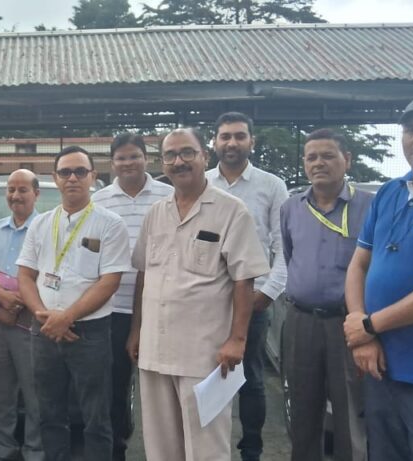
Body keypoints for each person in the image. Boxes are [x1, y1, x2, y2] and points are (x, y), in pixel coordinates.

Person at [130, 128, 269, 460]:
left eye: (187, 153)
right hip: (154, 349)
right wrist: (136, 330)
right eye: (171, 155)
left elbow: (243, 279)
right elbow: (143, 274)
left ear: (204, 156)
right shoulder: (156, 213)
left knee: (206, 448)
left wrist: (238, 339)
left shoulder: (231, 211)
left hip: (205, 355)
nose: (179, 161)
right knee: (162, 447)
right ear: (162, 162)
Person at [344, 92, 413, 460]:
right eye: (410, 130)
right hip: (380, 368)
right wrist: (362, 335)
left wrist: (370, 325)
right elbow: (359, 265)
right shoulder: (390, 192)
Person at [16, 146, 132, 461]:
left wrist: (65, 317)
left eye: (80, 171)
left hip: (90, 333)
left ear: (94, 177)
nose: (72, 178)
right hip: (44, 331)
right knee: (48, 414)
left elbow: (109, 282)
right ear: (54, 178)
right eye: (65, 172)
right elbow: (25, 276)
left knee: (96, 416)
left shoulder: (110, 224)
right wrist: (43, 316)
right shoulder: (41, 224)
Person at [280, 129, 370, 461]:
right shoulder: (291, 208)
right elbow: (291, 258)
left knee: (349, 415)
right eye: (312, 157)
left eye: (328, 156)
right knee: (302, 412)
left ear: (347, 159)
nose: (319, 163)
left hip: (348, 324)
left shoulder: (369, 206)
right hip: (301, 320)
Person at [205, 111, 289, 461]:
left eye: (239, 136)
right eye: (225, 136)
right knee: (208, 376)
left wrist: (268, 292)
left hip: (253, 299)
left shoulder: (272, 185)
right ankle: (211, 447)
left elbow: (284, 246)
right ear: (214, 142)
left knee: (251, 378)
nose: (232, 143)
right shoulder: (202, 182)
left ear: (251, 141)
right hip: (208, 300)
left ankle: (251, 448)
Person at [91, 133, 173, 460]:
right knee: (113, 386)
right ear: (112, 163)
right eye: (122, 158)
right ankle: (117, 450)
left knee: (161, 387)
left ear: (146, 159)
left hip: (160, 307)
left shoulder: (168, 195)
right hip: (111, 309)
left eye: (134, 156)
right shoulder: (99, 202)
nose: (128, 163)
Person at [0, 169, 44, 461]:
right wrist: (0, 295)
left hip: (33, 322)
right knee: (0, 389)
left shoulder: (46, 228)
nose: (15, 196)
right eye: (11, 190)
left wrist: (22, 303)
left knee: (35, 391)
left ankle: (34, 449)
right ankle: (4, 446)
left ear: (36, 194)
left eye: (22, 190)